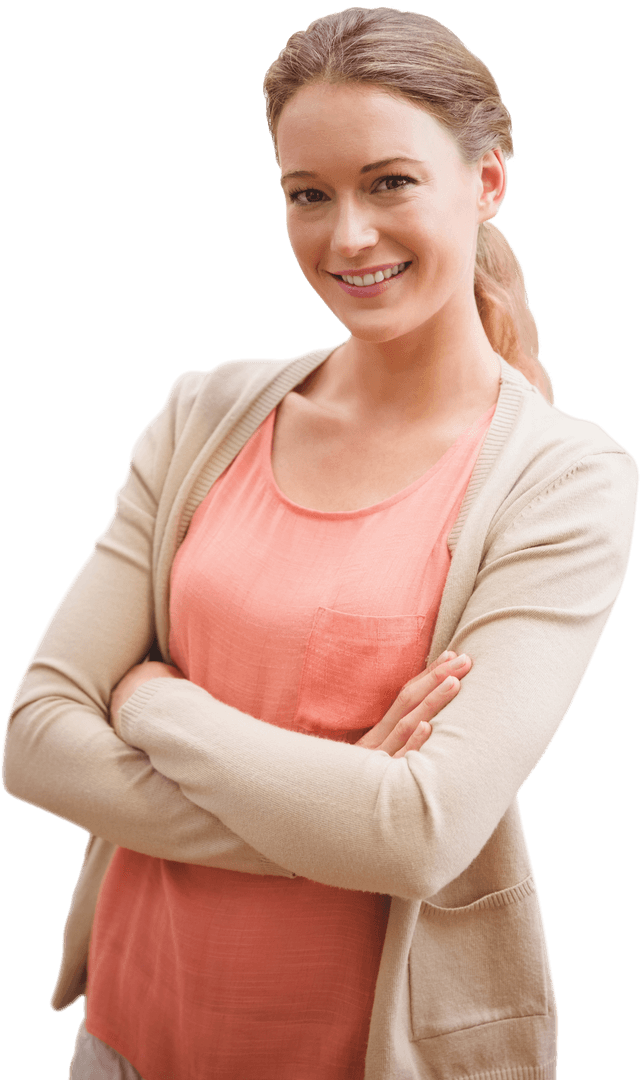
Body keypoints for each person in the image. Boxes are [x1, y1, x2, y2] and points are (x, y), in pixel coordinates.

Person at [3, 7, 637, 1080]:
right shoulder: (205, 415)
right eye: (309, 194)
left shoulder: (564, 481)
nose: (347, 236)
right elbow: (32, 738)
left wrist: (161, 706)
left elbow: (419, 835)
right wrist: (336, 808)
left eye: (389, 183)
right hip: (126, 1033)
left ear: (484, 183)